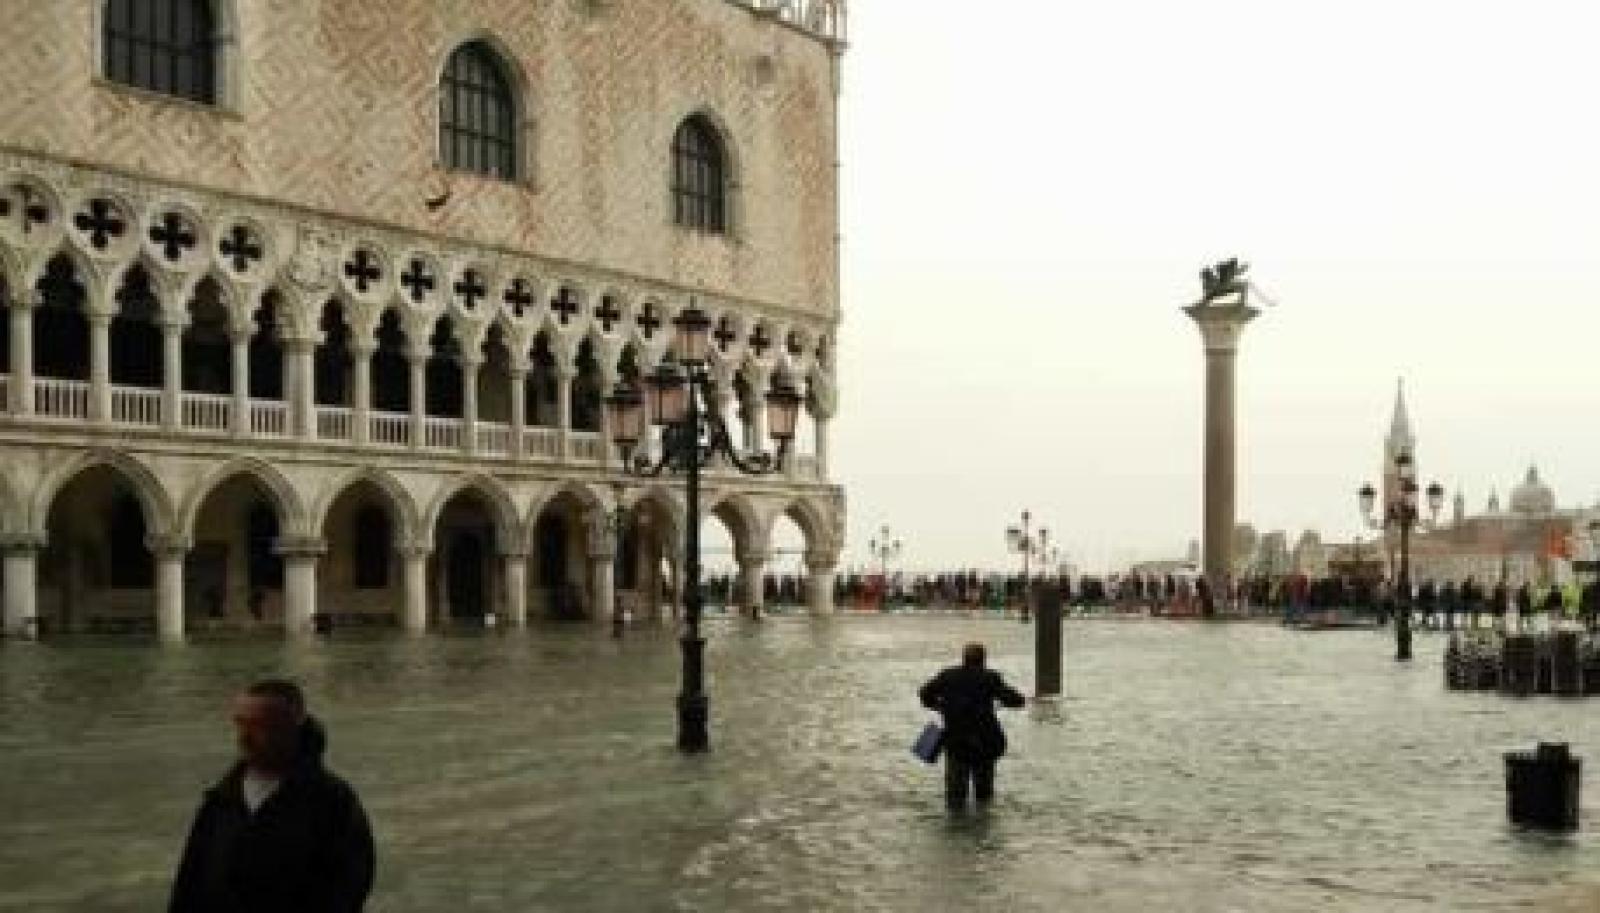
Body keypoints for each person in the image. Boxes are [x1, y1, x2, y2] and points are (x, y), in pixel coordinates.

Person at [170, 679, 375, 913]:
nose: (244, 738)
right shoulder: (221, 799)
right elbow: (190, 881)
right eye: (240, 724)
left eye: (259, 726)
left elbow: (349, 887)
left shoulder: (332, 800)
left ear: (291, 727)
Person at [918, 643, 1026, 811]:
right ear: (983, 660)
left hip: (956, 741)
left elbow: (925, 694)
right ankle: (982, 829)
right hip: (984, 742)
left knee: (955, 795)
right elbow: (1015, 700)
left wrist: (939, 706)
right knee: (984, 795)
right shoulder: (990, 677)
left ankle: (956, 828)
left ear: (964, 658)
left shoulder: (947, 675)